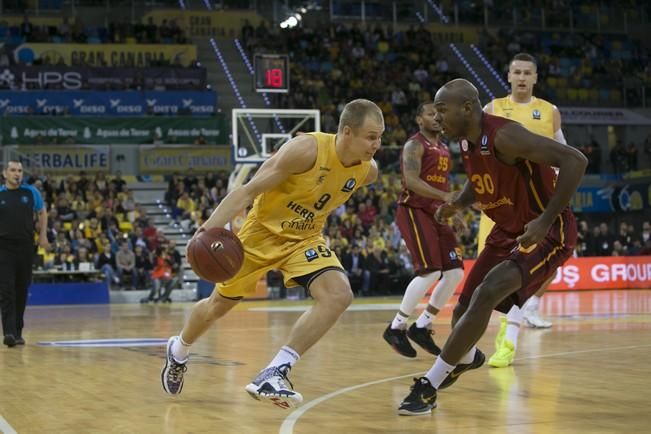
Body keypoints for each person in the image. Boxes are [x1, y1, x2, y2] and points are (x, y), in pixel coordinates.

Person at [161, 99, 383, 408]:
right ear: (347, 132)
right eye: (371, 137)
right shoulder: (306, 150)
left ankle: (275, 370)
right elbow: (247, 192)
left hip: (304, 240)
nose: (377, 144)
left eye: (380, 137)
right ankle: (179, 348)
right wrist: (203, 231)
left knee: (338, 295)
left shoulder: (367, 172)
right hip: (259, 235)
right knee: (216, 307)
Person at [397, 79, 587, 416]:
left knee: (489, 292)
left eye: (443, 110)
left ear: (468, 108)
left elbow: (575, 160)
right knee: (461, 313)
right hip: (506, 231)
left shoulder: (504, 135)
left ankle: (428, 386)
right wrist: (458, 202)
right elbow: (482, 177)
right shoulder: (469, 144)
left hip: (546, 231)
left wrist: (544, 220)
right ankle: (467, 358)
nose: (438, 118)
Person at [482, 52, 569, 369]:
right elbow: (481, 154)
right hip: (503, 204)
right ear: (508, 75)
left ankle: (509, 338)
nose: (521, 77)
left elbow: (563, 152)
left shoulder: (550, 112)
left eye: (526, 72)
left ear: (535, 77)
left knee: (523, 271)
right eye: (516, 71)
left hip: (539, 204)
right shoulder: (492, 109)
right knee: (494, 277)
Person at [383, 102, 464, 358]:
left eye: (440, 113)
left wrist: (454, 211)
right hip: (414, 210)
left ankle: (422, 325)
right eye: (431, 113)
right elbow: (412, 181)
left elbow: (443, 183)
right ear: (419, 120)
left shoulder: (443, 148)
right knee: (430, 271)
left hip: (437, 212)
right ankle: (396, 327)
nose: (437, 117)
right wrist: (445, 196)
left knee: (454, 273)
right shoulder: (414, 144)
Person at [0, 160, 49, 347]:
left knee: (21, 290)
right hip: (3, 247)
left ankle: (18, 332)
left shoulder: (31, 192)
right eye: (12, 170)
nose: (17, 173)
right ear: (5, 173)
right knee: (6, 290)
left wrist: (43, 235)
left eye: (19, 170)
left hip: (26, 247)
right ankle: (9, 332)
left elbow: (42, 212)